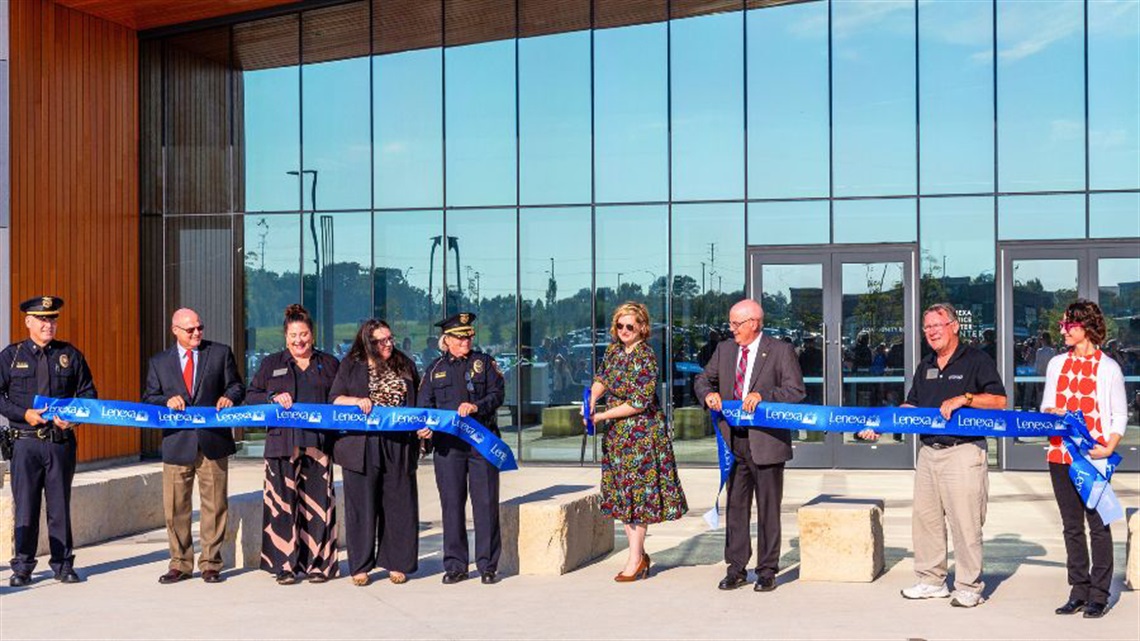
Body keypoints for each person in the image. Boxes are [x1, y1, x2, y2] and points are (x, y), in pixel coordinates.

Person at [860, 302, 1006, 608]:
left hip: (963, 452)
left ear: (954, 326)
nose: (931, 333)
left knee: (965, 522)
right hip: (928, 452)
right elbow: (911, 406)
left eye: (936, 326)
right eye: (926, 328)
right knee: (925, 521)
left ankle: (968, 586)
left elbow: (998, 400)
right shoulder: (924, 365)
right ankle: (931, 581)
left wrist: (965, 398)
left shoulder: (977, 360)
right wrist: (880, 425)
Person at [694, 299, 806, 593]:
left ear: (754, 323)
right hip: (734, 442)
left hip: (767, 442)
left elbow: (796, 390)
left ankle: (767, 570)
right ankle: (736, 568)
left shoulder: (780, 350)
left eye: (736, 324)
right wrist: (708, 395)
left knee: (768, 509)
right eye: (730, 323)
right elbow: (703, 379)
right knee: (736, 508)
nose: (731, 330)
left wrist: (763, 395)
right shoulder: (725, 350)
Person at [586, 302, 688, 582]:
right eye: (620, 325)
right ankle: (639, 555)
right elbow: (602, 378)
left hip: (641, 434)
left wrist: (603, 414)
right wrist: (592, 400)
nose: (624, 331)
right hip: (617, 436)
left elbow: (640, 402)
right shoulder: (613, 351)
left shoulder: (646, 356)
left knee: (638, 497)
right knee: (623, 495)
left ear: (642, 327)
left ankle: (635, 558)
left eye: (630, 326)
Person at [143, 308, 245, 584]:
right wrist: (166, 400)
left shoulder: (220, 353)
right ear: (175, 330)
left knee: (215, 505)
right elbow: (149, 397)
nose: (197, 333)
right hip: (177, 443)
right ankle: (180, 563)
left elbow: (237, 386)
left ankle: (211, 563)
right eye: (191, 330)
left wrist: (229, 398)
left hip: (213, 440)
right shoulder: (159, 362)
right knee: (175, 507)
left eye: (200, 327)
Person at [1040, 301, 1128, 619]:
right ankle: (1078, 590)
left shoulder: (1109, 369)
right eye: (1063, 325)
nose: (1062, 331)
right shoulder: (1056, 365)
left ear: (1085, 327)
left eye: (1068, 326)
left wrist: (1109, 446)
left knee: (1098, 525)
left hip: (1094, 457)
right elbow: (1046, 406)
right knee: (1071, 526)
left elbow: (1120, 414)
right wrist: (1055, 413)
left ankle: (1098, 595)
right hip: (1060, 454)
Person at [0, 296, 96, 587]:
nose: (48, 324)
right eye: (42, 319)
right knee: (26, 506)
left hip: (59, 442)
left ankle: (63, 564)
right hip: (25, 443)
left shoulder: (69, 355)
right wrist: (23, 414)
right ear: (28, 321)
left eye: (52, 319)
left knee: (59, 506)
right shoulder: (11, 356)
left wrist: (74, 417)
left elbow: (89, 394)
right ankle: (23, 566)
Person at [245, 304, 340, 585]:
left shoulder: (329, 363)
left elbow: (341, 398)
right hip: (281, 445)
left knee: (319, 506)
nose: (299, 340)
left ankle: (318, 565)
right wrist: (272, 396)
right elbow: (251, 396)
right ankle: (284, 565)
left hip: (317, 444)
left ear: (313, 334)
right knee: (281, 506)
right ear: (285, 336)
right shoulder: (271, 364)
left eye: (304, 334)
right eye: (293, 335)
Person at [330, 319, 424, 586]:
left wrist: (422, 430)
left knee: (398, 503)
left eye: (390, 339)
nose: (388, 344)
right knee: (362, 504)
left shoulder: (404, 363)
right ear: (367, 343)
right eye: (381, 341)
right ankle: (360, 565)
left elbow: (416, 402)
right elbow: (334, 398)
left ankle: (398, 562)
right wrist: (356, 401)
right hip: (362, 444)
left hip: (397, 443)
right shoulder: (351, 365)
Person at [418, 312, 505, 585]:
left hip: (481, 444)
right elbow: (425, 406)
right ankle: (455, 565)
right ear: (447, 340)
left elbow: (497, 394)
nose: (466, 340)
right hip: (448, 448)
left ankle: (487, 565)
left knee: (485, 504)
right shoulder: (434, 370)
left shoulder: (485, 363)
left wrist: (477, 406)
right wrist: (425, 427)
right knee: (452, 505)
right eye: (459, 336)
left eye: (468, 335)